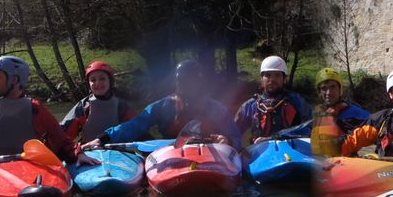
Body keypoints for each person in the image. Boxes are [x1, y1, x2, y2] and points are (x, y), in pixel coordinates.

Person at [0, 55, 97, 168]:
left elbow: (61, 141)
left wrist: (78, 153)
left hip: (30, 170)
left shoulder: (36, 109)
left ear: (14, 80)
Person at [82, 60, 242, 149]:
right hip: (173, 153)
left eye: (192, 80)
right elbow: (135, 125)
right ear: (177, 82)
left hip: (211, 153)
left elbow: (236, 137)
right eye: (182, 80)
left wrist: (228, 141)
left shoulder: (216, 109)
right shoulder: (163, 106)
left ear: (200, 82)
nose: (187, 84)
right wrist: (104, 138)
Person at [234, 55, 312, 145]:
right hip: (261, 152)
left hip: (292, 150)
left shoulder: (297, 101)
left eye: (277, 75)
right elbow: (233, 134)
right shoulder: (250, 106)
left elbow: (310, 128)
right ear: (261, 79)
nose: (272, 79)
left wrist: (278, 137)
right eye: (268, 75)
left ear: (284, 79)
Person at [60, 61, 136, 143]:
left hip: (116, 152)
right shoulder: (84, 106)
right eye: (93, 80)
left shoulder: (122, 106)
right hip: (89, 151)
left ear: (110, 81)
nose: (98, 83)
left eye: (102, 78)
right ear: (89, 84)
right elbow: (64, 132)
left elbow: (137, 128)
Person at [311, 67, 369, 156]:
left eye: (333, 87)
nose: (328, 92)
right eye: (324, 88)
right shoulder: (317, 113)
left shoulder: (353, 112)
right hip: (320, 162)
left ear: (340, 89)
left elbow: (376, 125)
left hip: (346, 163)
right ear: (319, 92)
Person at [340, 68, 393, 157]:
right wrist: (330, 147)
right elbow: (353, 139)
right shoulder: (383, 120)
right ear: (390, 95)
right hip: (387, 169)